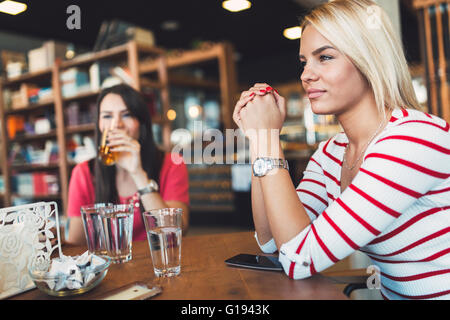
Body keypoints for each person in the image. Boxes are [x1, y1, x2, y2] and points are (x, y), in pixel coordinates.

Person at [233, 0, 450, 300]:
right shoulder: (330, 154)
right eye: (304, 61)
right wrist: (261, 140)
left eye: (324, 57)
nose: (306, 74)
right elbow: (272, 241)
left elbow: (299, 258)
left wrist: (269, 138)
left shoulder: (413, 140)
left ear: (368, 58)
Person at [67, 84, 190, 245]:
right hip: (109, 266)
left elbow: (175, 230)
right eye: (107, 116)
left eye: (126, 115)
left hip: (157, 261)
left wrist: (137, 173)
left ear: (142, 123)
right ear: (99, 124)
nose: (116, 125)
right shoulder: (83, 172)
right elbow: (76, 243)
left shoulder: (172, 164)